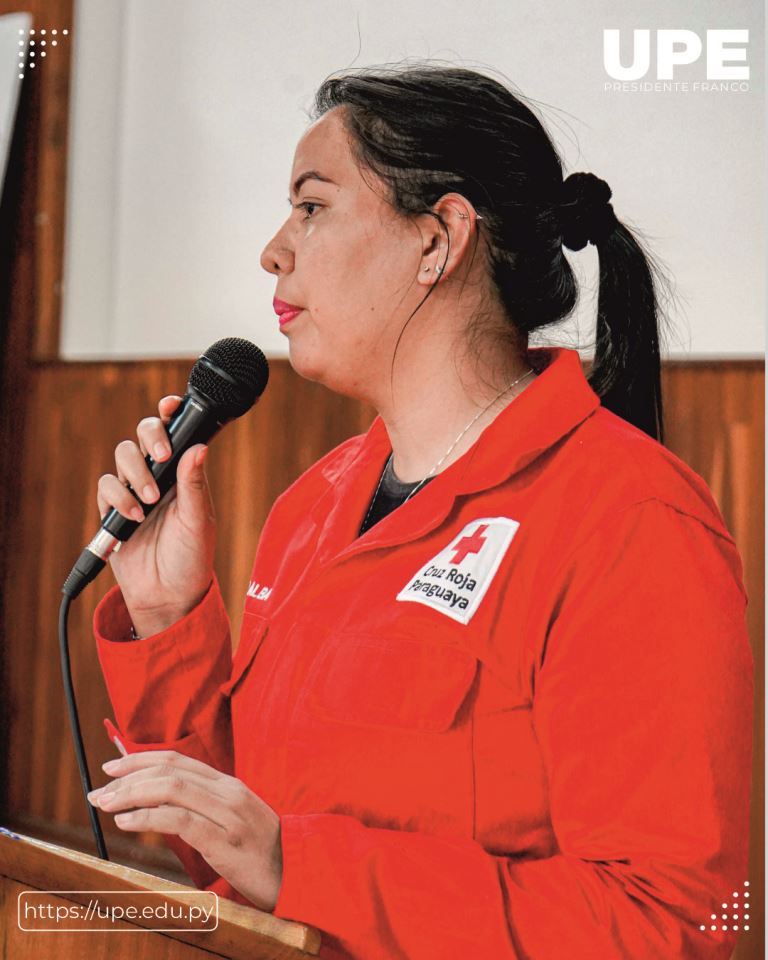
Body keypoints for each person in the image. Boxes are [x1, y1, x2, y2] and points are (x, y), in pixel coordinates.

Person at [88, 65, 753, 960]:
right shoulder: (311, 506)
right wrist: (168, 617)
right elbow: (238, 851)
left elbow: (675, 925)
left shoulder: (629, 518)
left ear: (438, 239)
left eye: (312, 207)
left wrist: (304, 865)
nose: (273, 251)